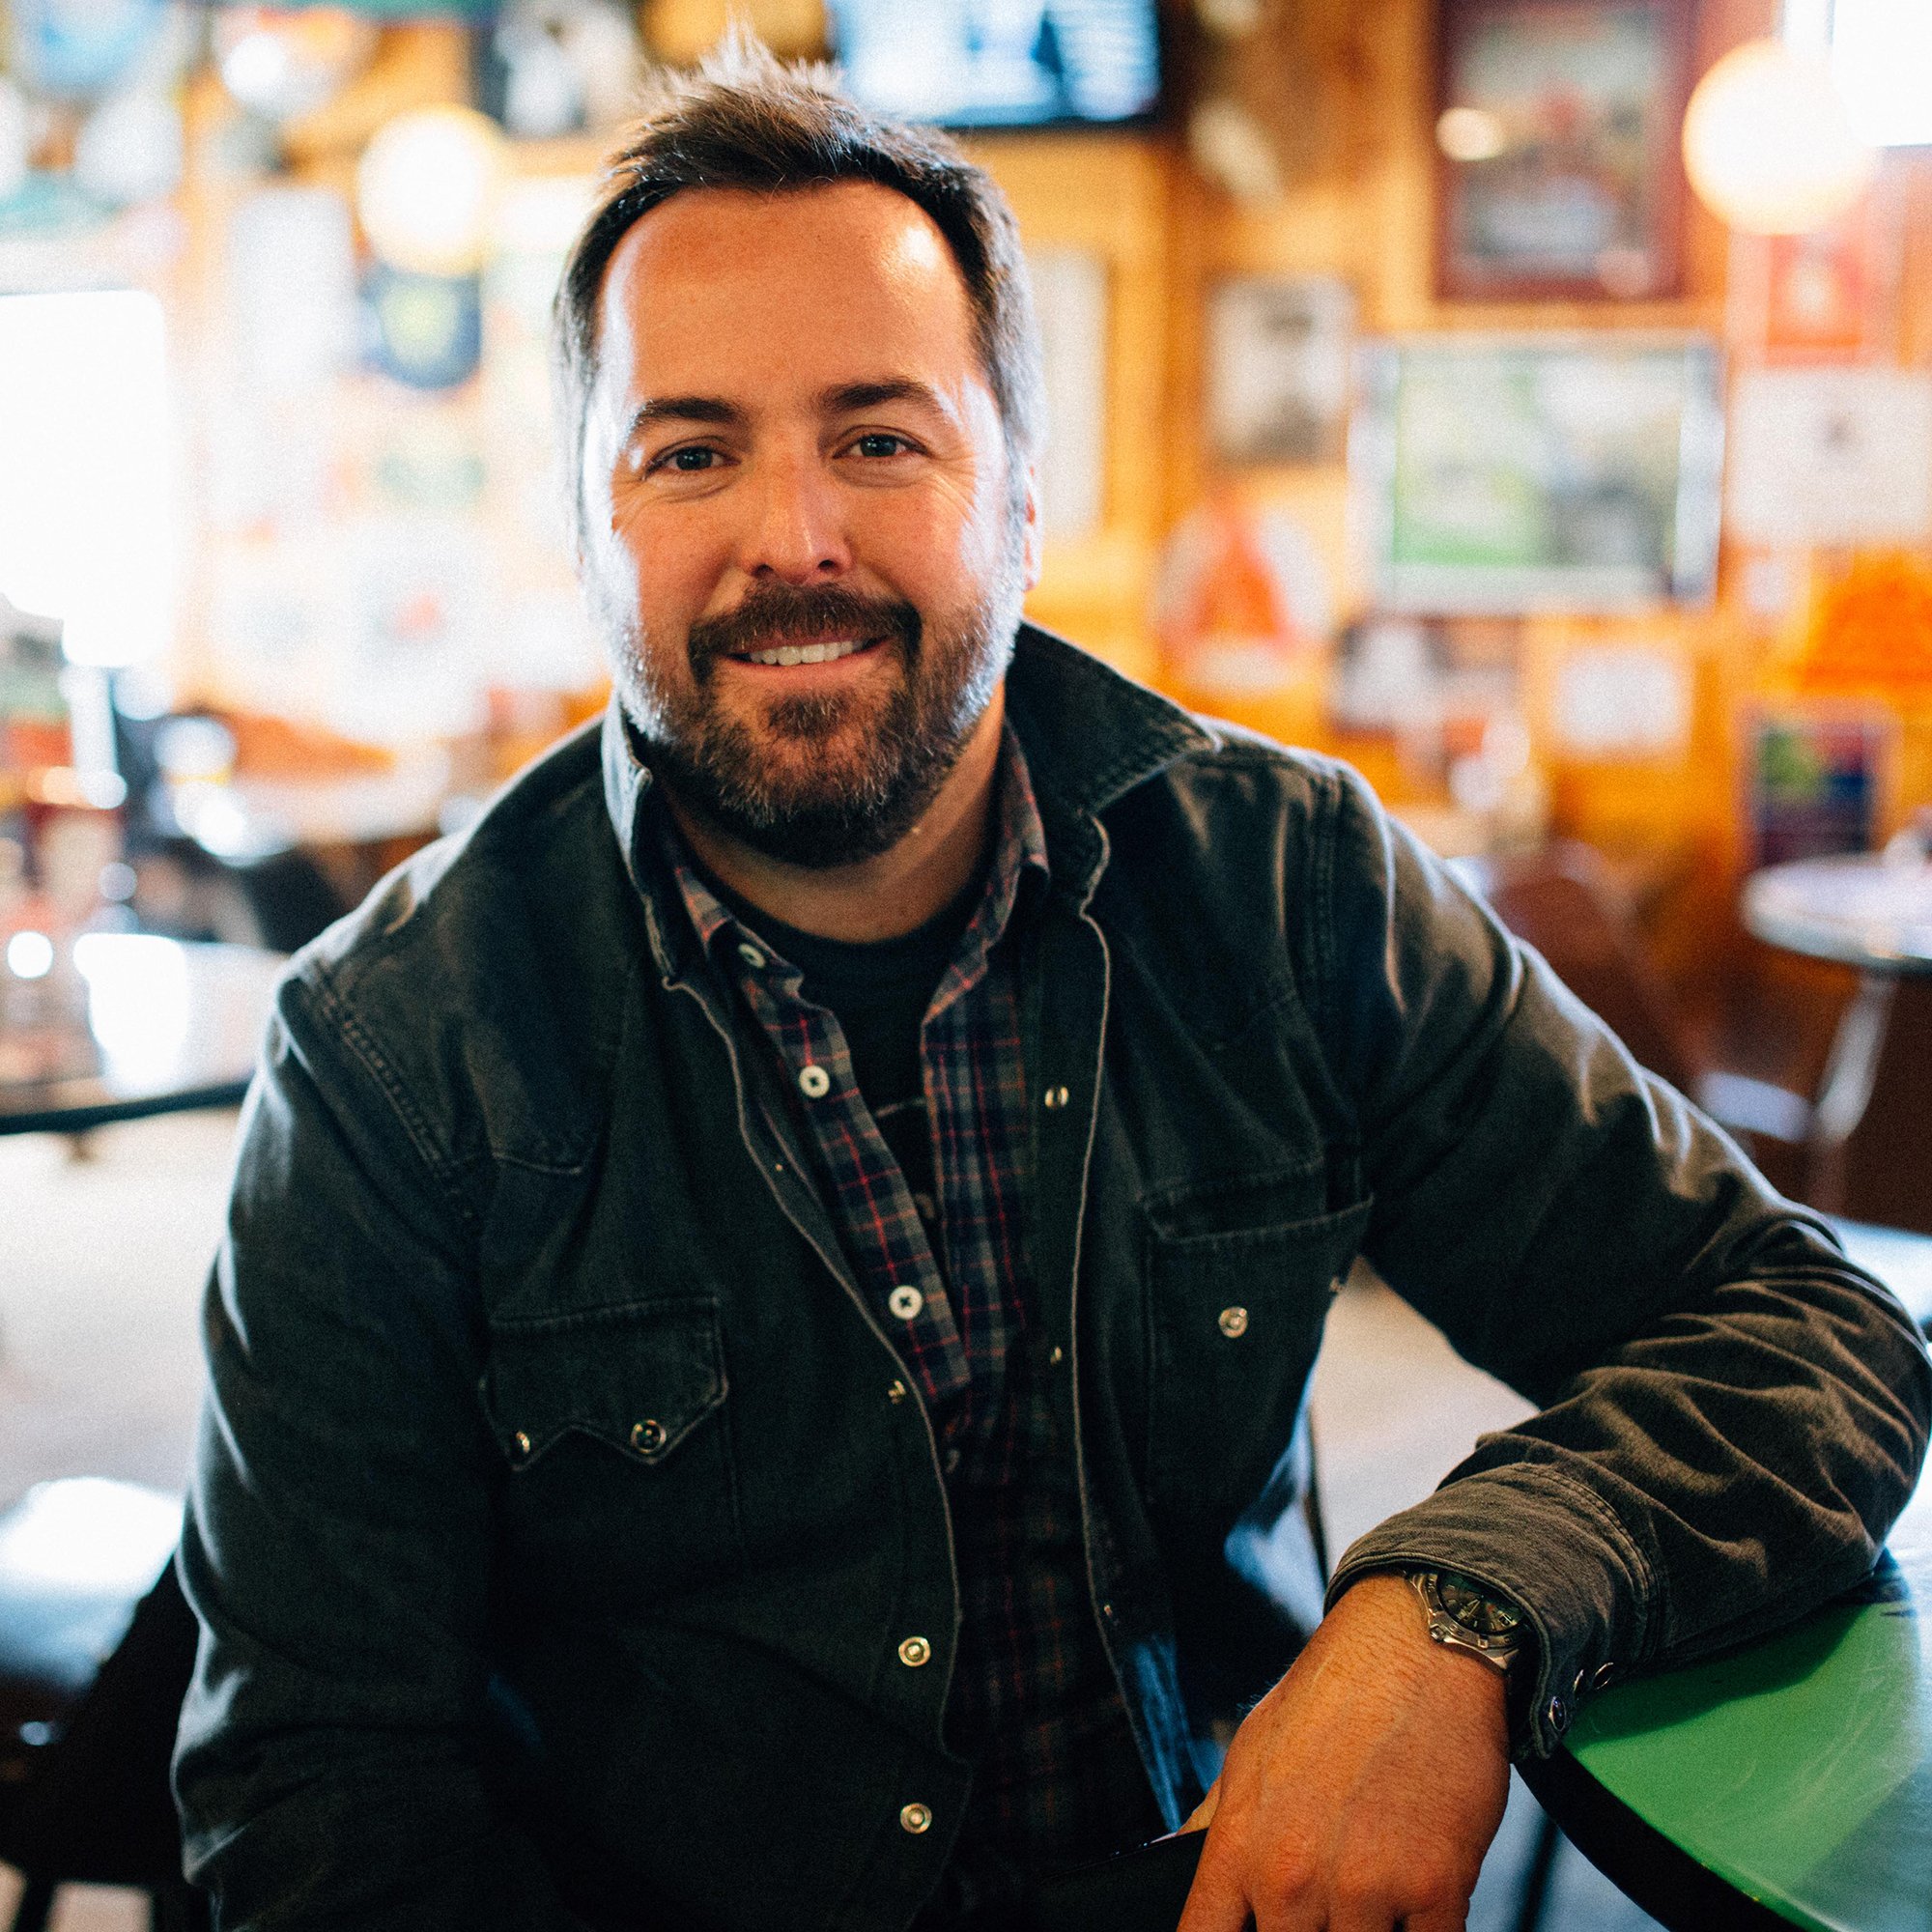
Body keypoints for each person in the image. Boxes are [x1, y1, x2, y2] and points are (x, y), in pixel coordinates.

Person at [173, 39, 1932, 1932]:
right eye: (690, 452)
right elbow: (315, 1799)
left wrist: (1453, 1604)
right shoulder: (390, 1047)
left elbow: (1802, 1326)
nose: (793, 538)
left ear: (1019, 497)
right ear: (590, 523)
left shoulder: (1282, 881)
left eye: (879, 438)